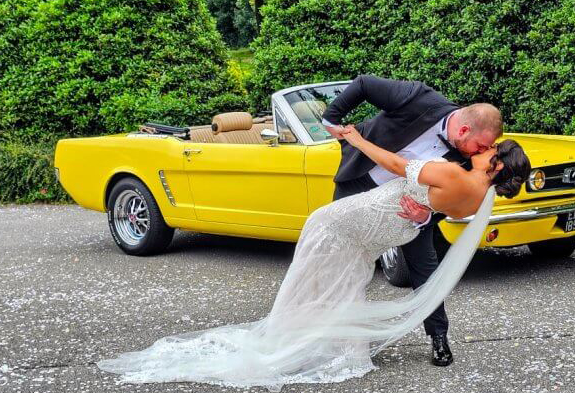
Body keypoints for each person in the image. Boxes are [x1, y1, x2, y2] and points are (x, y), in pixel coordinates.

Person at [96, 122, 530, 391]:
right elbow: (429, 208)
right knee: (349, 273)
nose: (485, 149)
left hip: (358, 216)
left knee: (318, 251)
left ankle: (285, 337)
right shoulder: (478, 200)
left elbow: (399, 167)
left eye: (492, 150)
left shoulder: (455, 172)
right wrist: (419, 210)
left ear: (496, 164)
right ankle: (338, 343)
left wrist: (359, 139)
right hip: (394, 227)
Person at [323, 74, 504, 366]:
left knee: (425, 269)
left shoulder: (468, 156)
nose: (482, 154)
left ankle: (439, 338)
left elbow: (457, 196)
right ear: (465, 129)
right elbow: (365, 84)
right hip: (358, 183)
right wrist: (332, 119)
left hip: (410, 207)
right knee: (343, 260)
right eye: (480, 146)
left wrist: (427, 214)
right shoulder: (420, 99)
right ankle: (346, 337)